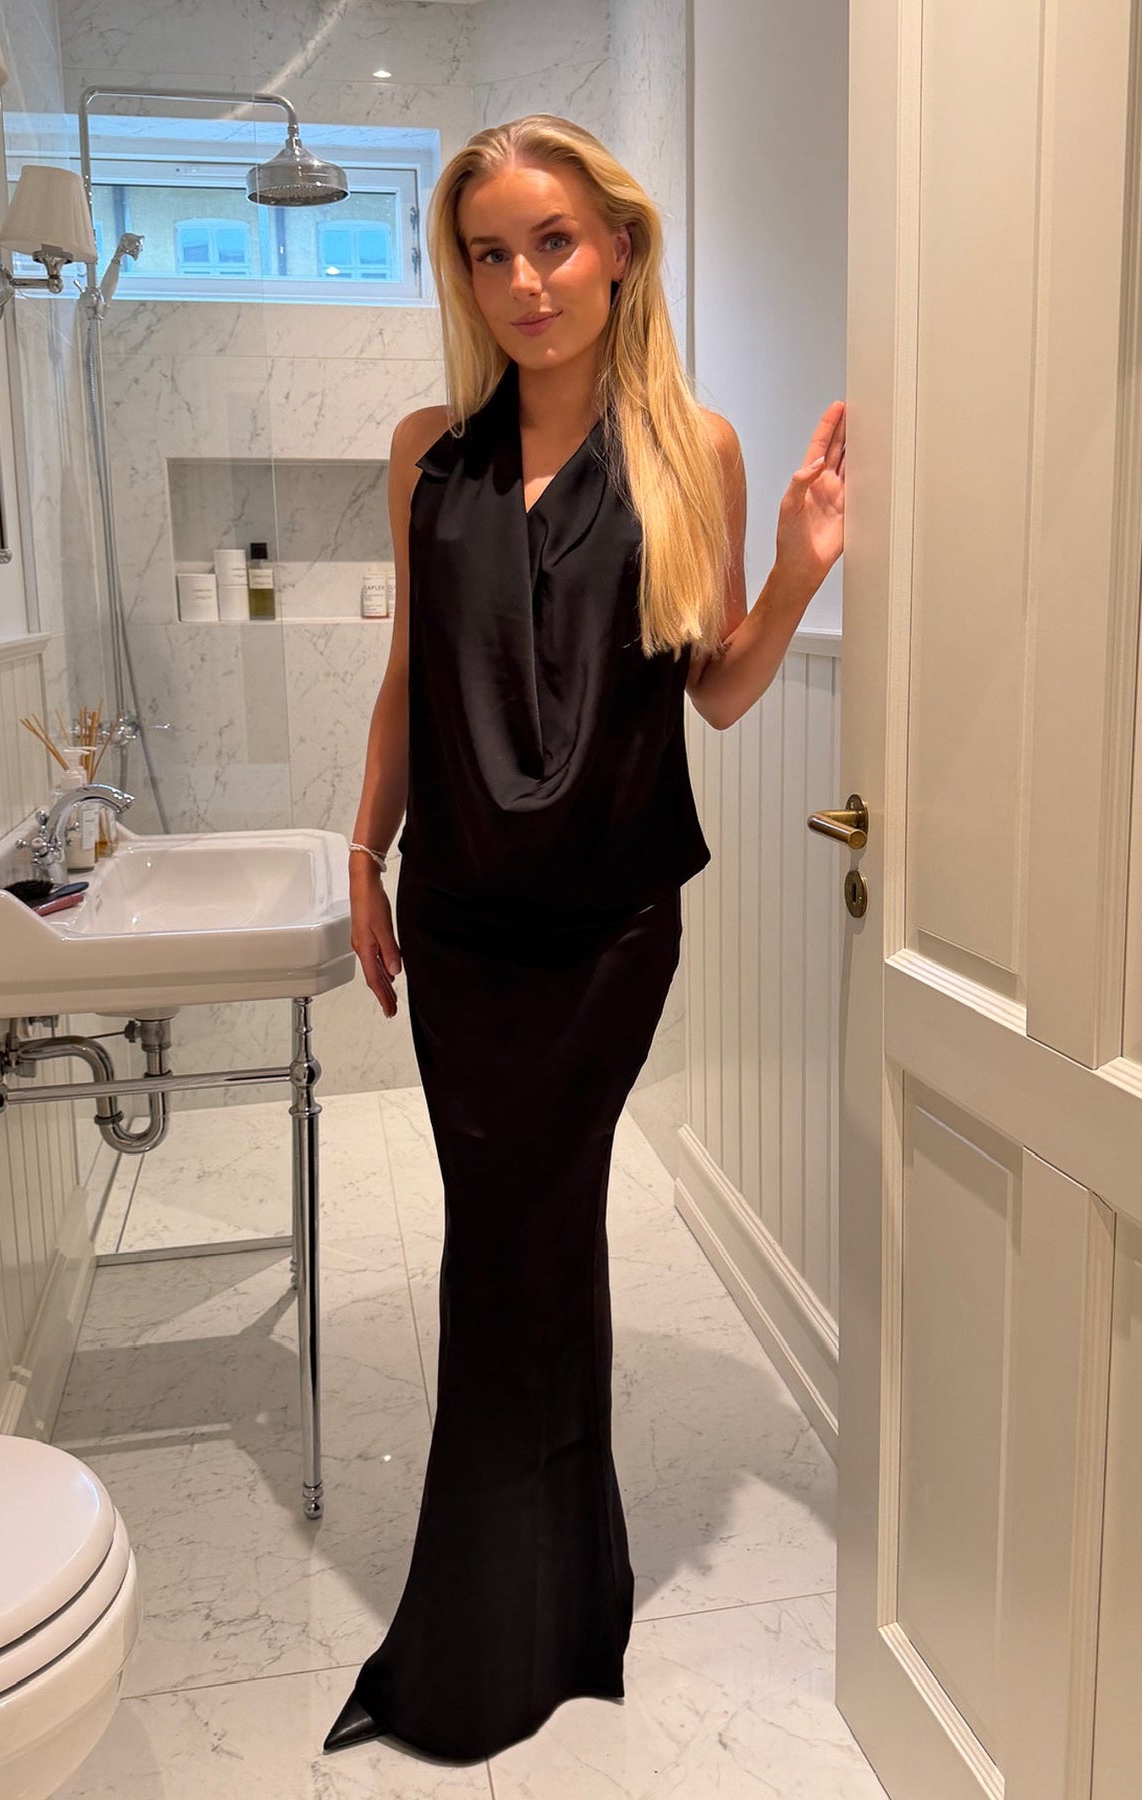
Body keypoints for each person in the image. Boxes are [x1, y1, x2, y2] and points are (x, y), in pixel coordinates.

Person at [323, 113, 845, 1765]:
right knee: (518, 1252)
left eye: (552, 241)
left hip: (612, 927)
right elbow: (411, 676)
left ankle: (503, 1629)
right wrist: (363, 852)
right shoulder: (427, 452)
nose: (526, 281)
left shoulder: (697, 448)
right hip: (463, 925)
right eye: (491, 253)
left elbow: (719, 689)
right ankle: (555, 1594)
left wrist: (797, 575)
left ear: (618, 245)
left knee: (522, 1249)